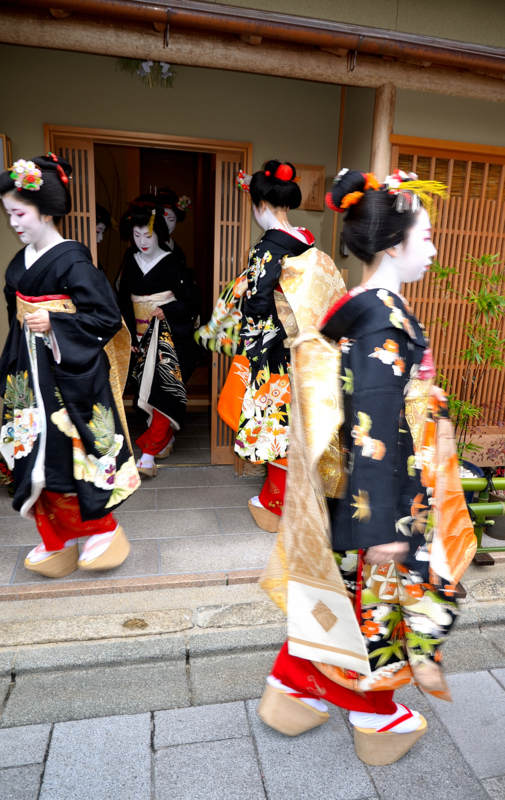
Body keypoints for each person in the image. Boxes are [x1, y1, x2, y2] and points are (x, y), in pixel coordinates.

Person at [259, 168, 476, 765]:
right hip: (381, 493)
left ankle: (292, 683)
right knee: (382, 604)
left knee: (348, 596)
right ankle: (373, 712)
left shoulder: (371, 308)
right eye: (426, 237)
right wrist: (383, 524)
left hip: (370, 487)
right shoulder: (382, 317)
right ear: (392, 245)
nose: (433, 250)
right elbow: (376, 421)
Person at [0, 155, 139, 579]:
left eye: (19, 213)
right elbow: (14, 314)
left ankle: (102, 530)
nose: (14, 223)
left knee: (68, 453)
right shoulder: (21, 262)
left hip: (67, 375)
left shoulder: (74, 261)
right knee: (31, 451)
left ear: (45, 209)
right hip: (28, 369)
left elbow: (106, 317)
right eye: (9, 214)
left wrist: (57, 321)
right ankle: (54, 539)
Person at [206, 160, 345, 533]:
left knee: (276, 426)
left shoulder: (268, 248)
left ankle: (277, 502)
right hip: (304, 345)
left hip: (274, 352)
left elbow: (256, 306)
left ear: (260, 205)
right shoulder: (307, 242)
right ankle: (300, 497)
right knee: (298, 423)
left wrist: (249, 352)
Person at [117, 197, 201, 477]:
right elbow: (122, 300)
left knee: (163, 391)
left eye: (148, 235)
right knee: (145, 394)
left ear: (159, 234)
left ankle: (149, 453)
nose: (142, 241)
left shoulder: (172, 262)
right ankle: (164, 439)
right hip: (139, 336)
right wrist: (127, 334)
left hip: (167, 336)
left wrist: (167, 309)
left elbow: (192, 301)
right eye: (137, 234)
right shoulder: (130, 260)